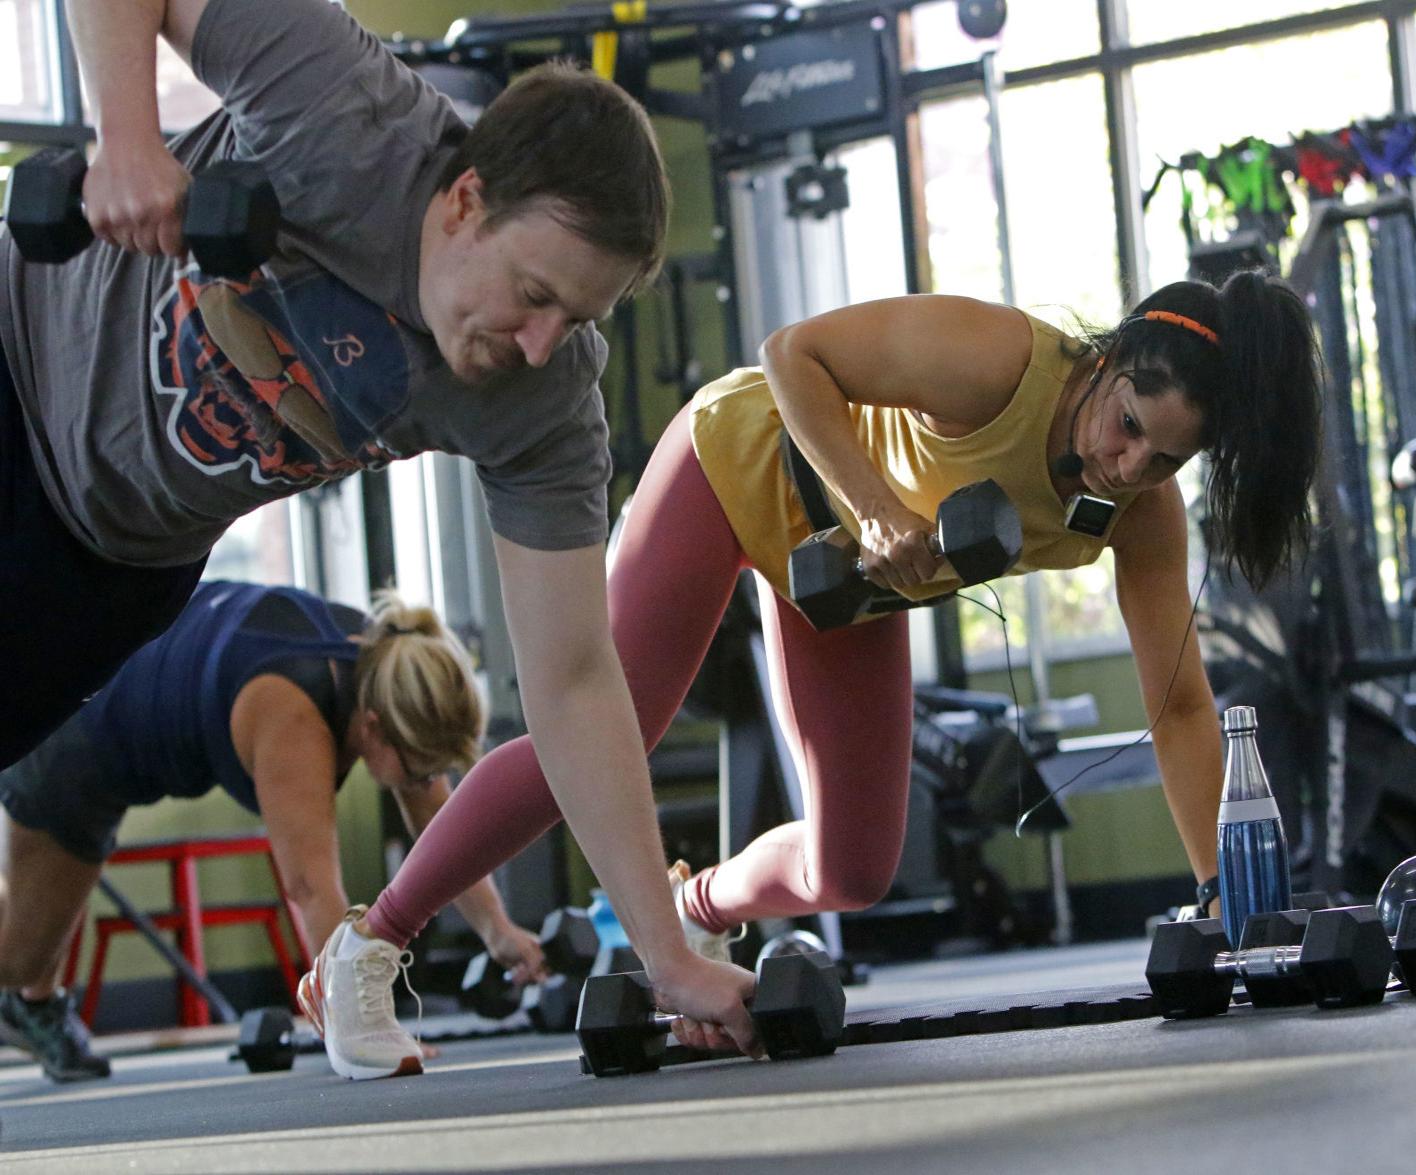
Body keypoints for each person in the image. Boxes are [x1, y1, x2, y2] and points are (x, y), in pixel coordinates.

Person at [309, 270, 1324, 1077]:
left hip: (847, 579)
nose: (1128, 467)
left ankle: (695, 906)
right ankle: (367, 945)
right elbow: (790, 353)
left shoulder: (1139, 517)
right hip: (743, 463)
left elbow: (1178, 704)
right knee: (606, 734)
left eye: (1164, 461)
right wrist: (876, 506)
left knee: (853, 868)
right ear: (1107, 362)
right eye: (1129, 426)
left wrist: (1218, 897)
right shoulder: (998, 359)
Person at [3, 0, 759, 1081]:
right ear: (464, 201)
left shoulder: (544, 401)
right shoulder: (343, 105)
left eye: (577, 319)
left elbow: (575, 680)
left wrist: (667, 956)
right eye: (534, 295)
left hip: (115, 559)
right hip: (16, 361)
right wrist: (125, 138)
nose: (539, 343)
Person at [0, 580, 543, 1082]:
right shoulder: (290, 706)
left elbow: (439, 826)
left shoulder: (388, 669)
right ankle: (31, 1002)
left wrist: (498, 930)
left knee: (34, 939)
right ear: (374, 728)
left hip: (113, 697)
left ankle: (35, 1004)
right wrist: (362, 1025)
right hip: (71, 728)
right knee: (19, 958)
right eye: (421, 772)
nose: (428, 785)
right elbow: (310, 887)